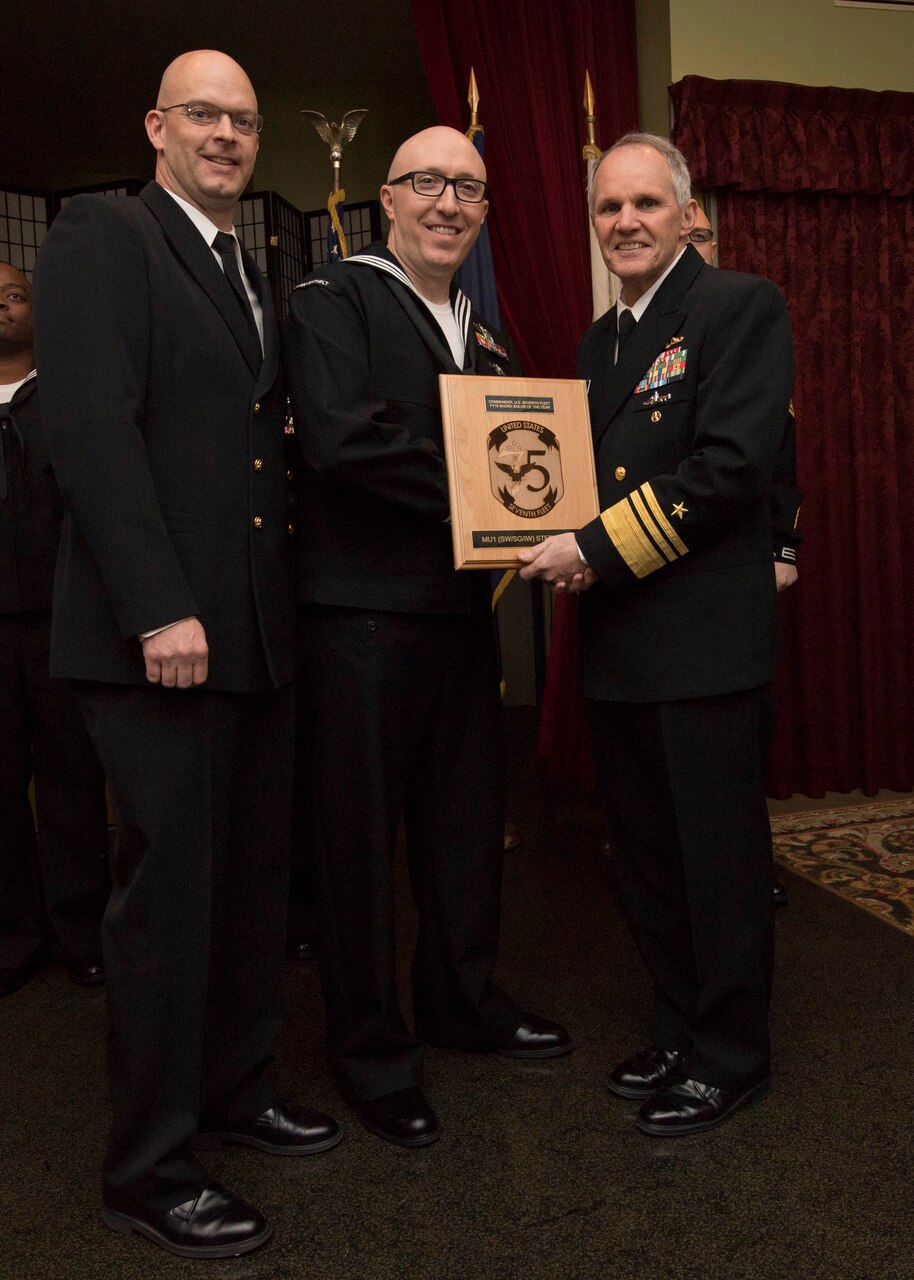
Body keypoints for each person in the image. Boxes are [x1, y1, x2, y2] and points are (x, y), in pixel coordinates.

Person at [33, 51, 339, 1260]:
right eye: (204, 114)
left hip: (252, 637)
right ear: (156, 126)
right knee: (168, 904)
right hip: (159, 640)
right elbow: (91, 429)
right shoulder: (101, 237)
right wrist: (159, 606)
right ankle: (149, 1168)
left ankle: (233, 1087)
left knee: (250, 882)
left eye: (244, 120)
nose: (226, 134)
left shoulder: (244, 261)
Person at [283, 125, 571, 1149]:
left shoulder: (487, 337)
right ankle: (371, 1049)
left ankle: (461, 1000)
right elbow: (339, 437)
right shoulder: (333, 301)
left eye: (468, 189)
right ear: (386, 198)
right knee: (357, 843)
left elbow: (531, 441)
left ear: (484, 212)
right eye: (428, 184)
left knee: (461, 829)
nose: (448, 203)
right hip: (358, 620)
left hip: (457, 619)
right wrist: (497, 499)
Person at [519, 133, 794, 1137]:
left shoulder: (735, 307)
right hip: (619, 646)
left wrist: (585, 545)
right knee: (643, 858)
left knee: (714, 861)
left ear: (684, 212)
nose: (624, 223)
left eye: (643, 204)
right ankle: (679, 1026)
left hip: (698, 646)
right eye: (607, 209)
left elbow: (724, 471)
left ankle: (731, 1054)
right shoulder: (601, 340)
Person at [689, 208, 803, 906]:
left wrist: (783, 544)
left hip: (741, 564)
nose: (695, 248)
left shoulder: (744, 315)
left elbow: (776, 453)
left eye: (704, 239)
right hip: (665, 562)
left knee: (743, 732)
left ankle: (749, 868)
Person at [0, 262, 109, 997]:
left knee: (74, 785)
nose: (3, 306)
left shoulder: (68, 400)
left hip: (61, 625)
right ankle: (15, 936)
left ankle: (83, 932)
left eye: (15, 294)